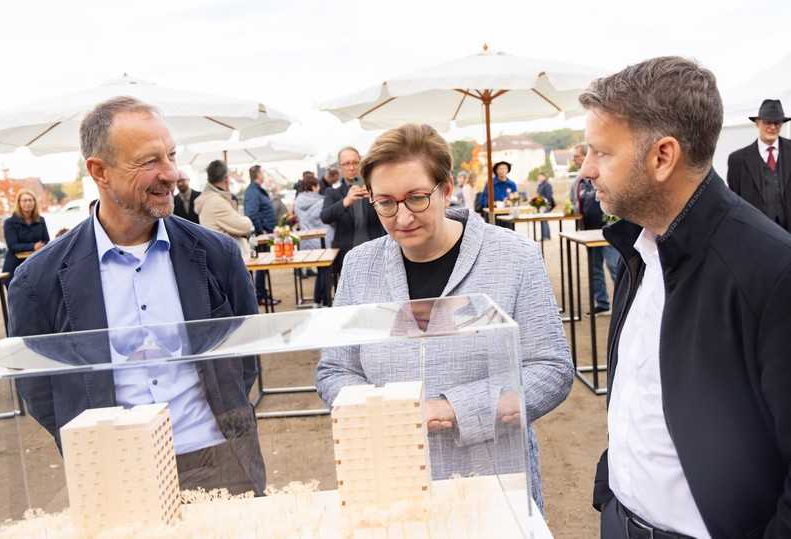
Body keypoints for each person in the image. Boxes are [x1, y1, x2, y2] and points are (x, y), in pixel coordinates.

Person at [9, 96, 266, 496]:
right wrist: (93, 450)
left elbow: (245, 355)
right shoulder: (36, 281)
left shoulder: (217, 254)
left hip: (220, 460)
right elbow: (39, 391)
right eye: (150, 161)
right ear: (100, 171)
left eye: (172, 155)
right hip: (114, 472)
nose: (172, 173)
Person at [580, 57, 791, 538]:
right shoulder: (637, 247)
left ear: (662, 156)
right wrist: (609, 494)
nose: (587, 168)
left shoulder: (772, 272)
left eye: (602, 153)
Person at [316, 124, 573, 511]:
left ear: (447, 188)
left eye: (416, 198)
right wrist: (389, 410)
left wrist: (454, 409)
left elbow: (551, 370)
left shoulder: (513, 256)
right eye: (385, 202)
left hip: (494, 480)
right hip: (393, 482)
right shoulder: (359, 266)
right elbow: (335, 371)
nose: (401, 217)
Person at [726, 99, 791, 232]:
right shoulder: (737, 160)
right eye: (768, 122)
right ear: (757, 123)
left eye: (777, 123)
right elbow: (734, 204)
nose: (772, 127)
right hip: (756, 237)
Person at [320, 146, 385, 276]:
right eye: (346, 164)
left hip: (377, 250)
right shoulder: (333, 191)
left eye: (355, 162)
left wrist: (377, 198)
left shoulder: (375, 186)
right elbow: (325, 217)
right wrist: (346, 201)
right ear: (340, 167)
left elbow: (391, 211)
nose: (351, 167)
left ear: (361, 163)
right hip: (347, 253)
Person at [571, 143, 620, 316]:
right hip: (588, 231)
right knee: (595, 269)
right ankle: (602, 303)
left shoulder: (603, 175)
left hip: (608, 230)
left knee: (615, 266)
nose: (575, 160)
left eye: (577, 156)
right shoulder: (578, 182)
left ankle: (626, 304)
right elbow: (574, 202)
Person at [195, 160, 254, 260]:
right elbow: (245, 226)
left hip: (220, 255)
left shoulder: (210, 198)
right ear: (226, 178)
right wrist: (247, 219)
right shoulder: (216, 202)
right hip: (227, 258)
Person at [244, 164, 279, 306]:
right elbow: (251, 213)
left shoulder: (256, 190)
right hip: (261, 236)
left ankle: (262, 294)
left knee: (263, 267)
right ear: (258, 175)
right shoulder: (252, 191)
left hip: (265, 234)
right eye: (262, 173)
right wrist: (262, 230)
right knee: (261, 266)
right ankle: (260, 296)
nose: (264, 175)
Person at [294, 176, 332, 306]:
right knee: (325, 271)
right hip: (321, 239)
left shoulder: (298, 201)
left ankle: (318, 301)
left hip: (306, 239)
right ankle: (324, 301)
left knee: (322, 271)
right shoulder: (321, 201)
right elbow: (322, 218)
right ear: (314, 186)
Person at [2, 188, 50, 286]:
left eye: (30, 200)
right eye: (24, 200)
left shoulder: (41, 220)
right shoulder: (10, 222)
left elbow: (46, 240)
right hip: (15, 267)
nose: (28, 203)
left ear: (34, 203)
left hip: (35, 265)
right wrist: (33, 246)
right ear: (19, 203)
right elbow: (13, 246)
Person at [477, 161, 517, 229]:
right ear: (496, 171)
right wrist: (492, 203)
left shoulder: (512, 184)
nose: (502, 171)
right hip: (493, 215)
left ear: (508, 170)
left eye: (504, 168)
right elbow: (482, 199)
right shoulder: (490, 183)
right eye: (500, 169)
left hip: (508, 214)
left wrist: (511, 202)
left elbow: (515, 199)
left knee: (509, 235)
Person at [535, 172, 555, 240]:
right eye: (538, 176)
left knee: (544, 219)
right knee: (543, 220)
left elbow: (549, 196)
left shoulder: (547, 185)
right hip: (541, 205)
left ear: (544, 177)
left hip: (547, 205)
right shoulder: (540, 185)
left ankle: (546, 236)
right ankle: (546, 236)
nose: (539, 178)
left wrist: (544, 203)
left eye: (540, 176)